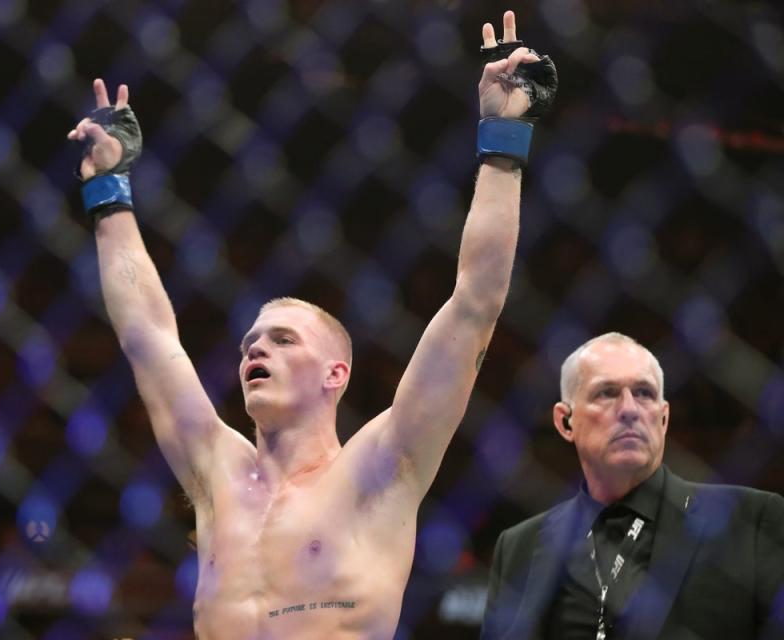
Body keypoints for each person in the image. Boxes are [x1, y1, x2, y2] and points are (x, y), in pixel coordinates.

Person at [69, 11, 554, 638]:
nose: (255, 349)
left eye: (282, 338)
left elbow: (474, 304)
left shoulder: (382, 466)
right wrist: (109, 193)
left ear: (337, 373)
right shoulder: (217, 471)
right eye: (249, 343)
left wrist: (504, 139)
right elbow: (147, 336)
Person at [481, 332, 784, 639]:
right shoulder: (519, 545)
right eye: (606, 393)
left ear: (663, 419)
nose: (629, 409)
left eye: (644, 393)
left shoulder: (753, 518)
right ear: (566, 422)